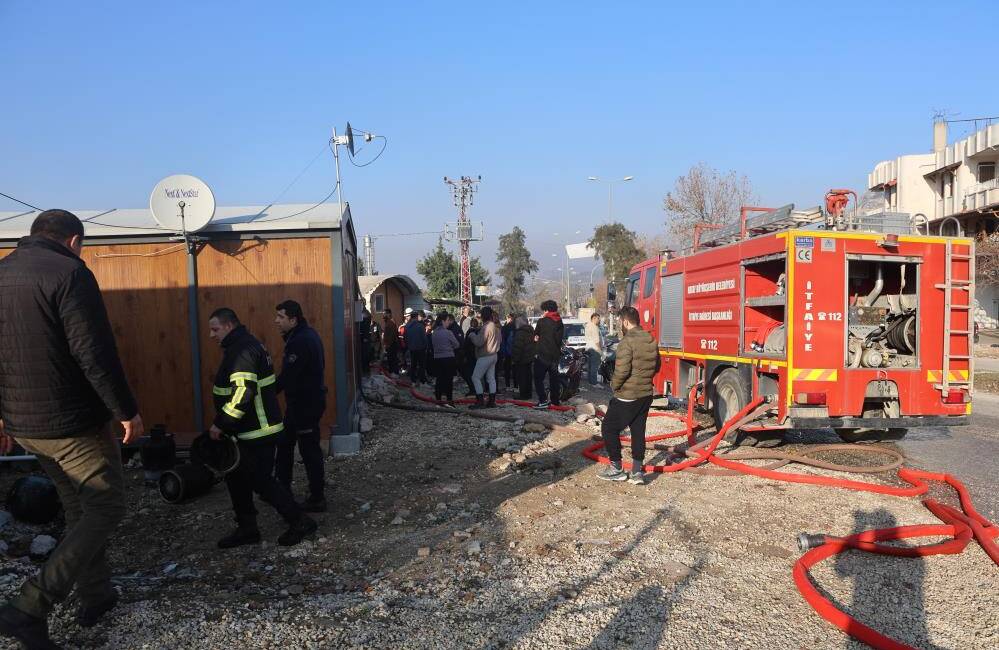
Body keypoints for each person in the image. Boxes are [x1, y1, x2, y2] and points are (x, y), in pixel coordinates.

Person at [0, 210, 144, 646]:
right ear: (75, 241)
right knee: (106, 505)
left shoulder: (2, 273)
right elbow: (94, 354)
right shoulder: (70, 274)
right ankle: (31, 605)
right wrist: (126, 411)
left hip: (24, 424)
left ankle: (97, 593)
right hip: (71, 423)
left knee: (81, 509)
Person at [207, 308, 317, 549]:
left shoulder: (243, 350)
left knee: (262, 482)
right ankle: (247, 528)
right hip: (248, 430)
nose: (211, 335)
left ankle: (299, 521)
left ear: (229, 326)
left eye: (215, 329)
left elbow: (242, 392)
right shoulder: (246, 345)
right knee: (236, 479)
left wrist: (221, 422)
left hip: (256, 430)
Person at [273, 300, 328, 513]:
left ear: (293, 320)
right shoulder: (303, 335)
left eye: (280, 317)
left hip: (305, 405)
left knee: (309, 451)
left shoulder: (300, 341)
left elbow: (288, 376)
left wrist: (267, 394)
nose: (276, 321)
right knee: (285, 444)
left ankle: (317, 498)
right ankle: (282, 489)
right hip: (300, 404)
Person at [597, 306, 660, 485]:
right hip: (646, 394)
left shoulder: (626, 342)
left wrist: (614, 386)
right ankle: (637, 472)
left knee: (609, 427)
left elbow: (622, 371)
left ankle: (616, 468)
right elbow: (657, 367)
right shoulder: (650, 339)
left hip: (628, 395)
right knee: (638, 431)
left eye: (619, 322)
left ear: (625, 322)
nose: (619, 325)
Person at [533, 300, 565, 409]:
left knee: (538, 378)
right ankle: (555, 401)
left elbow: (536, 335)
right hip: (555, 356)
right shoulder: (559, 322)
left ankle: (542, 400)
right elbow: (559, 340)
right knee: (554, 379)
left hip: (542, 355)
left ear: (546, 309)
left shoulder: (542, 322)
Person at [468, 306, 501, 409]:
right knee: (491, 378)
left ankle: (480, 401)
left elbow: (479, 342)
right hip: (494, 355)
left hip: (485, 355)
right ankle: (492, 401)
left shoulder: (486, 327)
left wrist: (472, 335)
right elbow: (500, 341)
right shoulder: (496, 327)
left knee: (475, 377)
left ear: (483, 316)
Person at [431, 313, 461, 407]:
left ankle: (438, 401)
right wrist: (449, 347)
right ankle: (449, 401)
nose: (449, 322)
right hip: (448, 358)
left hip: (437, 358)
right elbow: (457, 344)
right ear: (443, 321)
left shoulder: (434, 332)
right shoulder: (448, 333)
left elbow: (433, 345)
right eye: (448, 320)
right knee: (448, 380)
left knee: (439, 380)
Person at [511, 315, 536, 401]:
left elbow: (518, 347)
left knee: (522, 377)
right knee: (528, 376)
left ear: (521, 323)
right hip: (529, 357)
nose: (515, 324)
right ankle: (528, 394)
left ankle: (523, 395)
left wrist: (515, 359)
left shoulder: (520, 332)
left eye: (517, 322)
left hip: (522, 358)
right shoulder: (531, 330)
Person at [404, 309, 429, 384]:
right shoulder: (420, 326)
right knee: (421, 365)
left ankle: (413, 380)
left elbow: (405, 338)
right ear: (416, 317)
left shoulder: (407, 326)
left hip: (412, 348)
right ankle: (422, 380)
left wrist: (408, 345)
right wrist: (426, 346)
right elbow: (424, 338)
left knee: (413, 364)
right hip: (421, 348)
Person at [460, 318, 480, 397]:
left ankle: (473, 389)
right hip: (476, 355)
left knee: (468, 373)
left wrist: (463, 353)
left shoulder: (470, 332)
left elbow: (466, 344)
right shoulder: (478, 331)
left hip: (469, 355)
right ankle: (476, 389)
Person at [585, 312, 604, 385]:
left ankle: (590, 382)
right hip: (595, 348)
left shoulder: (587, 325)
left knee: (590, 366)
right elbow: (597, 341)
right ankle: (594, 383)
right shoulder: (594, 327)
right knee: (594, 367)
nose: (599, 320)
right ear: (594, 318)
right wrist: (600, 350)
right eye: (598, 318)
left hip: (589, 347)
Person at [499, 313, 515, 390]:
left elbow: (503, 341)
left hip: (507, 352)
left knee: (507, 370)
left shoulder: (505, 328)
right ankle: (516, 386)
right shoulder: (516, 327)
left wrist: (503, 353)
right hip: (514, 352)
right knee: (515, 370)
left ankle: (508, 386)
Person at [382, 309, 400, 374]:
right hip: (390, 344)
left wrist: (388, 344)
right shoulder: (388, 322)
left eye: (384, 314)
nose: (383, 315)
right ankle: (392, 372)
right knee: (391, 359)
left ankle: (394, 372)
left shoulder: (391, 322)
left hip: (391, 344)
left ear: (388, 314)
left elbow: (392, 335)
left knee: (392, 359)